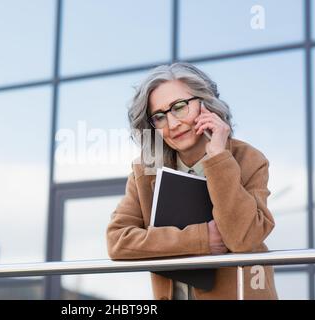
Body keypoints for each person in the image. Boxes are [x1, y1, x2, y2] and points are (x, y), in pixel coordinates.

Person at [106, 62, 278, 300]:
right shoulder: (146, 170)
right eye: (159, 116)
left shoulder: (248, 159)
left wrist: (218, 157)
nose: (173, 124)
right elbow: (118, 242)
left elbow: (245, 239)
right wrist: (201, 239)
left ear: (205, 104)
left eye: (179, 107)